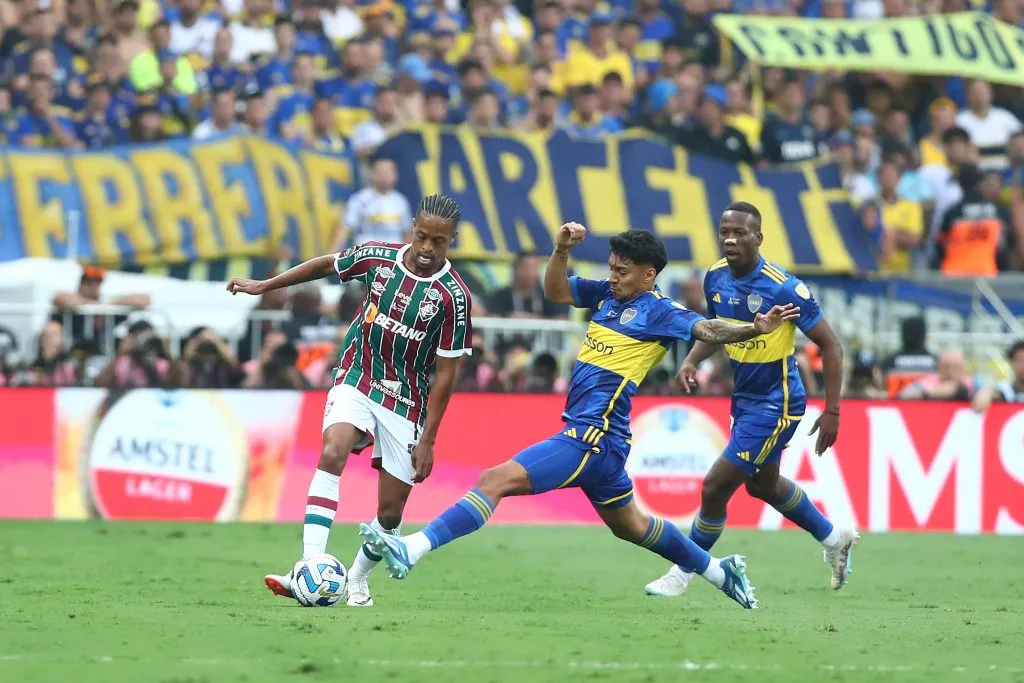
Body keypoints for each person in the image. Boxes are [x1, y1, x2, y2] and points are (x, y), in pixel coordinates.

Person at [359, 226, 804, 609]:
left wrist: (752, 328)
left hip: (591, 436)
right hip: (604, 441)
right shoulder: (607, 295)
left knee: (494, 480)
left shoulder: (660, 311)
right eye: (611, 267)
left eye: (622, 271)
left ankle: (412, 548)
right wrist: (561, 250)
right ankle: (721, 573)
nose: (613, 276)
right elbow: (555, 291)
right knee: (633, 527)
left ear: (649, 275)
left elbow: (706, 328)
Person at [228, 194, 473, 608]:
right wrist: (265, 285)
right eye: (421, 236)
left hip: (406, 397)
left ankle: (357, 579)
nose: (427, 248)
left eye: (439, 241)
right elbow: (327, 264)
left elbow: (447, 374)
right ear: (411, 229)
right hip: (359, 374)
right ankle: (309, 565)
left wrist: (428, 439)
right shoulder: (379, 258)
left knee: (390, 514)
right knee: (333, 451)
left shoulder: (454, 297)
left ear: (453, 240)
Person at [644, 201, 857, 598]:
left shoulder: (784, 287)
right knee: (763, 485)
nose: (730, 239)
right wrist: (691, 360)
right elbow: (717, 330)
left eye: (739, 233)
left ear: (758, 238)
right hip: (744, 398)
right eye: (725, 232)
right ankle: (834, 538)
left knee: (715, 487)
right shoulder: (714, 277)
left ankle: (683, 572)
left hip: (778, 401)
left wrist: (832, 410)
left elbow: (831, 345)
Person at [972, 340, 1024, 411]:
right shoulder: (1004, 390)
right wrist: (987, 393)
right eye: (1020, 361)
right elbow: (992, 392)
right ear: (1012, 363)